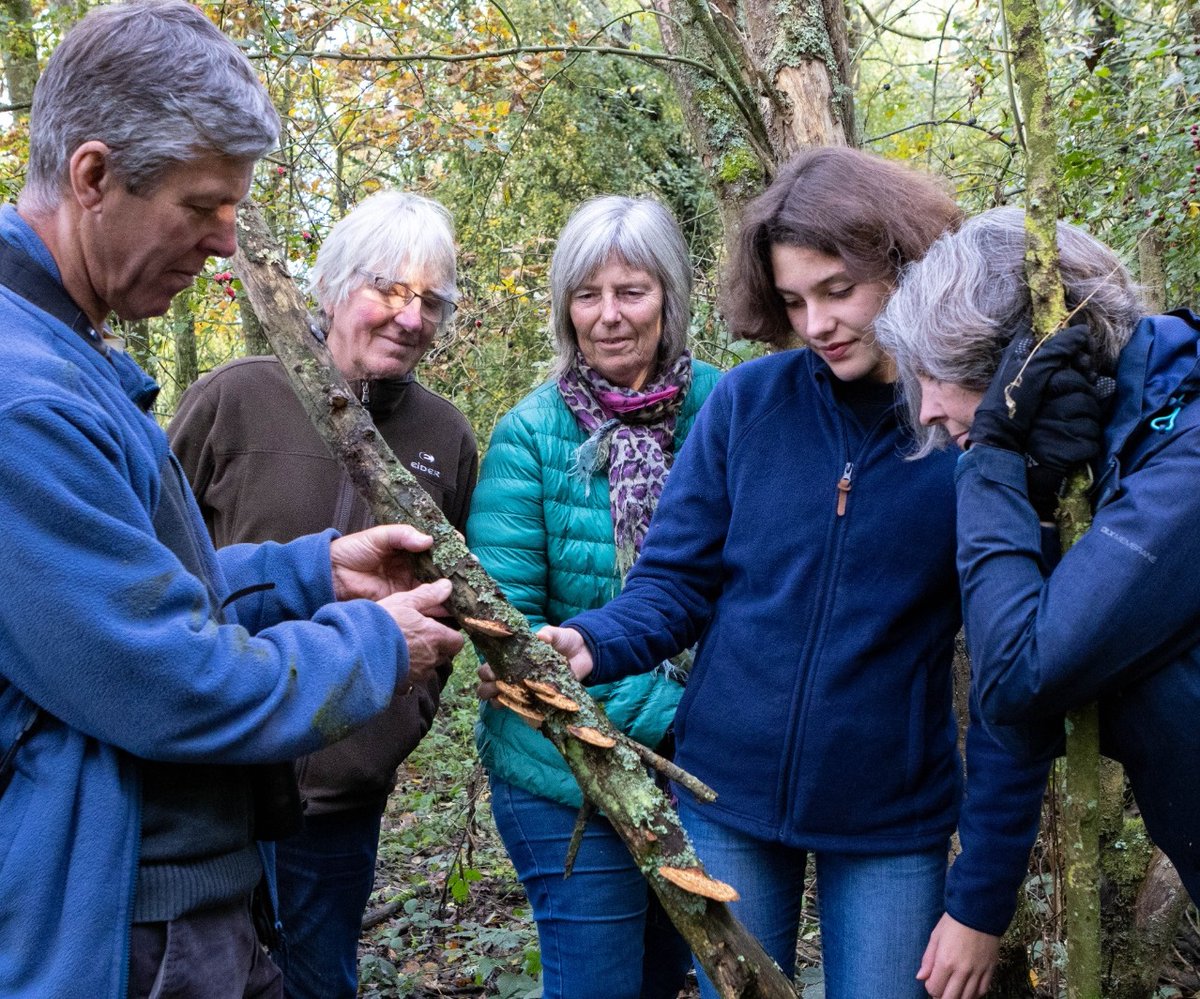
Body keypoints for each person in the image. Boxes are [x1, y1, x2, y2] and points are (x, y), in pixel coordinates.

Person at [498, 150, 1050, 999]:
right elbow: (674, 583)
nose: (818, 323)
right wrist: (588, 640)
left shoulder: (966, 432)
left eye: (838, 291)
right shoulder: (747, 404)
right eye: (794, 301)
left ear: (906, 268)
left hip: (890, 819)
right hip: (727, 800)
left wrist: (979, 901)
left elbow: (1013, 681)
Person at [0, 4, 463, 997]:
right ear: (92, 176)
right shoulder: (25, 396)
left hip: (172, 890)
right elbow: (165, 679)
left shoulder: (64, 355)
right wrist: (376, 645)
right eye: (202, 205)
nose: (222, 243)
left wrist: (309, 572)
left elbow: (131, 593)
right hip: (120, 914)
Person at [169, 190, 478, 998]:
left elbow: (447, 603)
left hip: (337, 798)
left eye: (431, 301)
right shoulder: (235, 398)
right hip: (215, 778)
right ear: (335, 284)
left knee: (317, 981)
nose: (411, 318)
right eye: (389, 289)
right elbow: (156, 561)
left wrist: (387, 731)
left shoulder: (445, 437)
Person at [873, 205, 1200, 904]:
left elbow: (1020, 673)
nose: (925, 408)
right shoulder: (1123, 450)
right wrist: (1041, 498)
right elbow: (1022, 719)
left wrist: (992, 461)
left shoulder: (1185, 452)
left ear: (1019, 365)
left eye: (938, 374)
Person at [467, 195, 721, 999]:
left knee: (665, 976)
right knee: (599, 983)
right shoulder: (530, 436)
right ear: (564, 308)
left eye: (632, 291)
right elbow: (511, 636)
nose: (608, 316)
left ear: (670, 299)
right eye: (587, 294)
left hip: (701, 764)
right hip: (561, 766)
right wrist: (675, 704)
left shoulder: (728, 408)